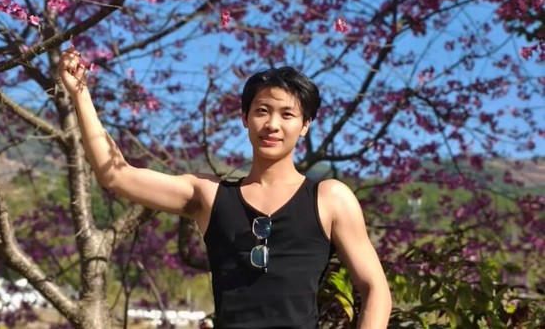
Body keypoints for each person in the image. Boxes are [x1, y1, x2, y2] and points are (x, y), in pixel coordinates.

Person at [58, 47, 392, 329]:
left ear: (305, 125)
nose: (272, 124)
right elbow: (116, 176)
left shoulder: (330, 198)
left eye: (287, 114)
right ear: (245, 118)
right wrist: (80, 94)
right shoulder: (209, 196)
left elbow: (375, 289)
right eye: (262, 111)